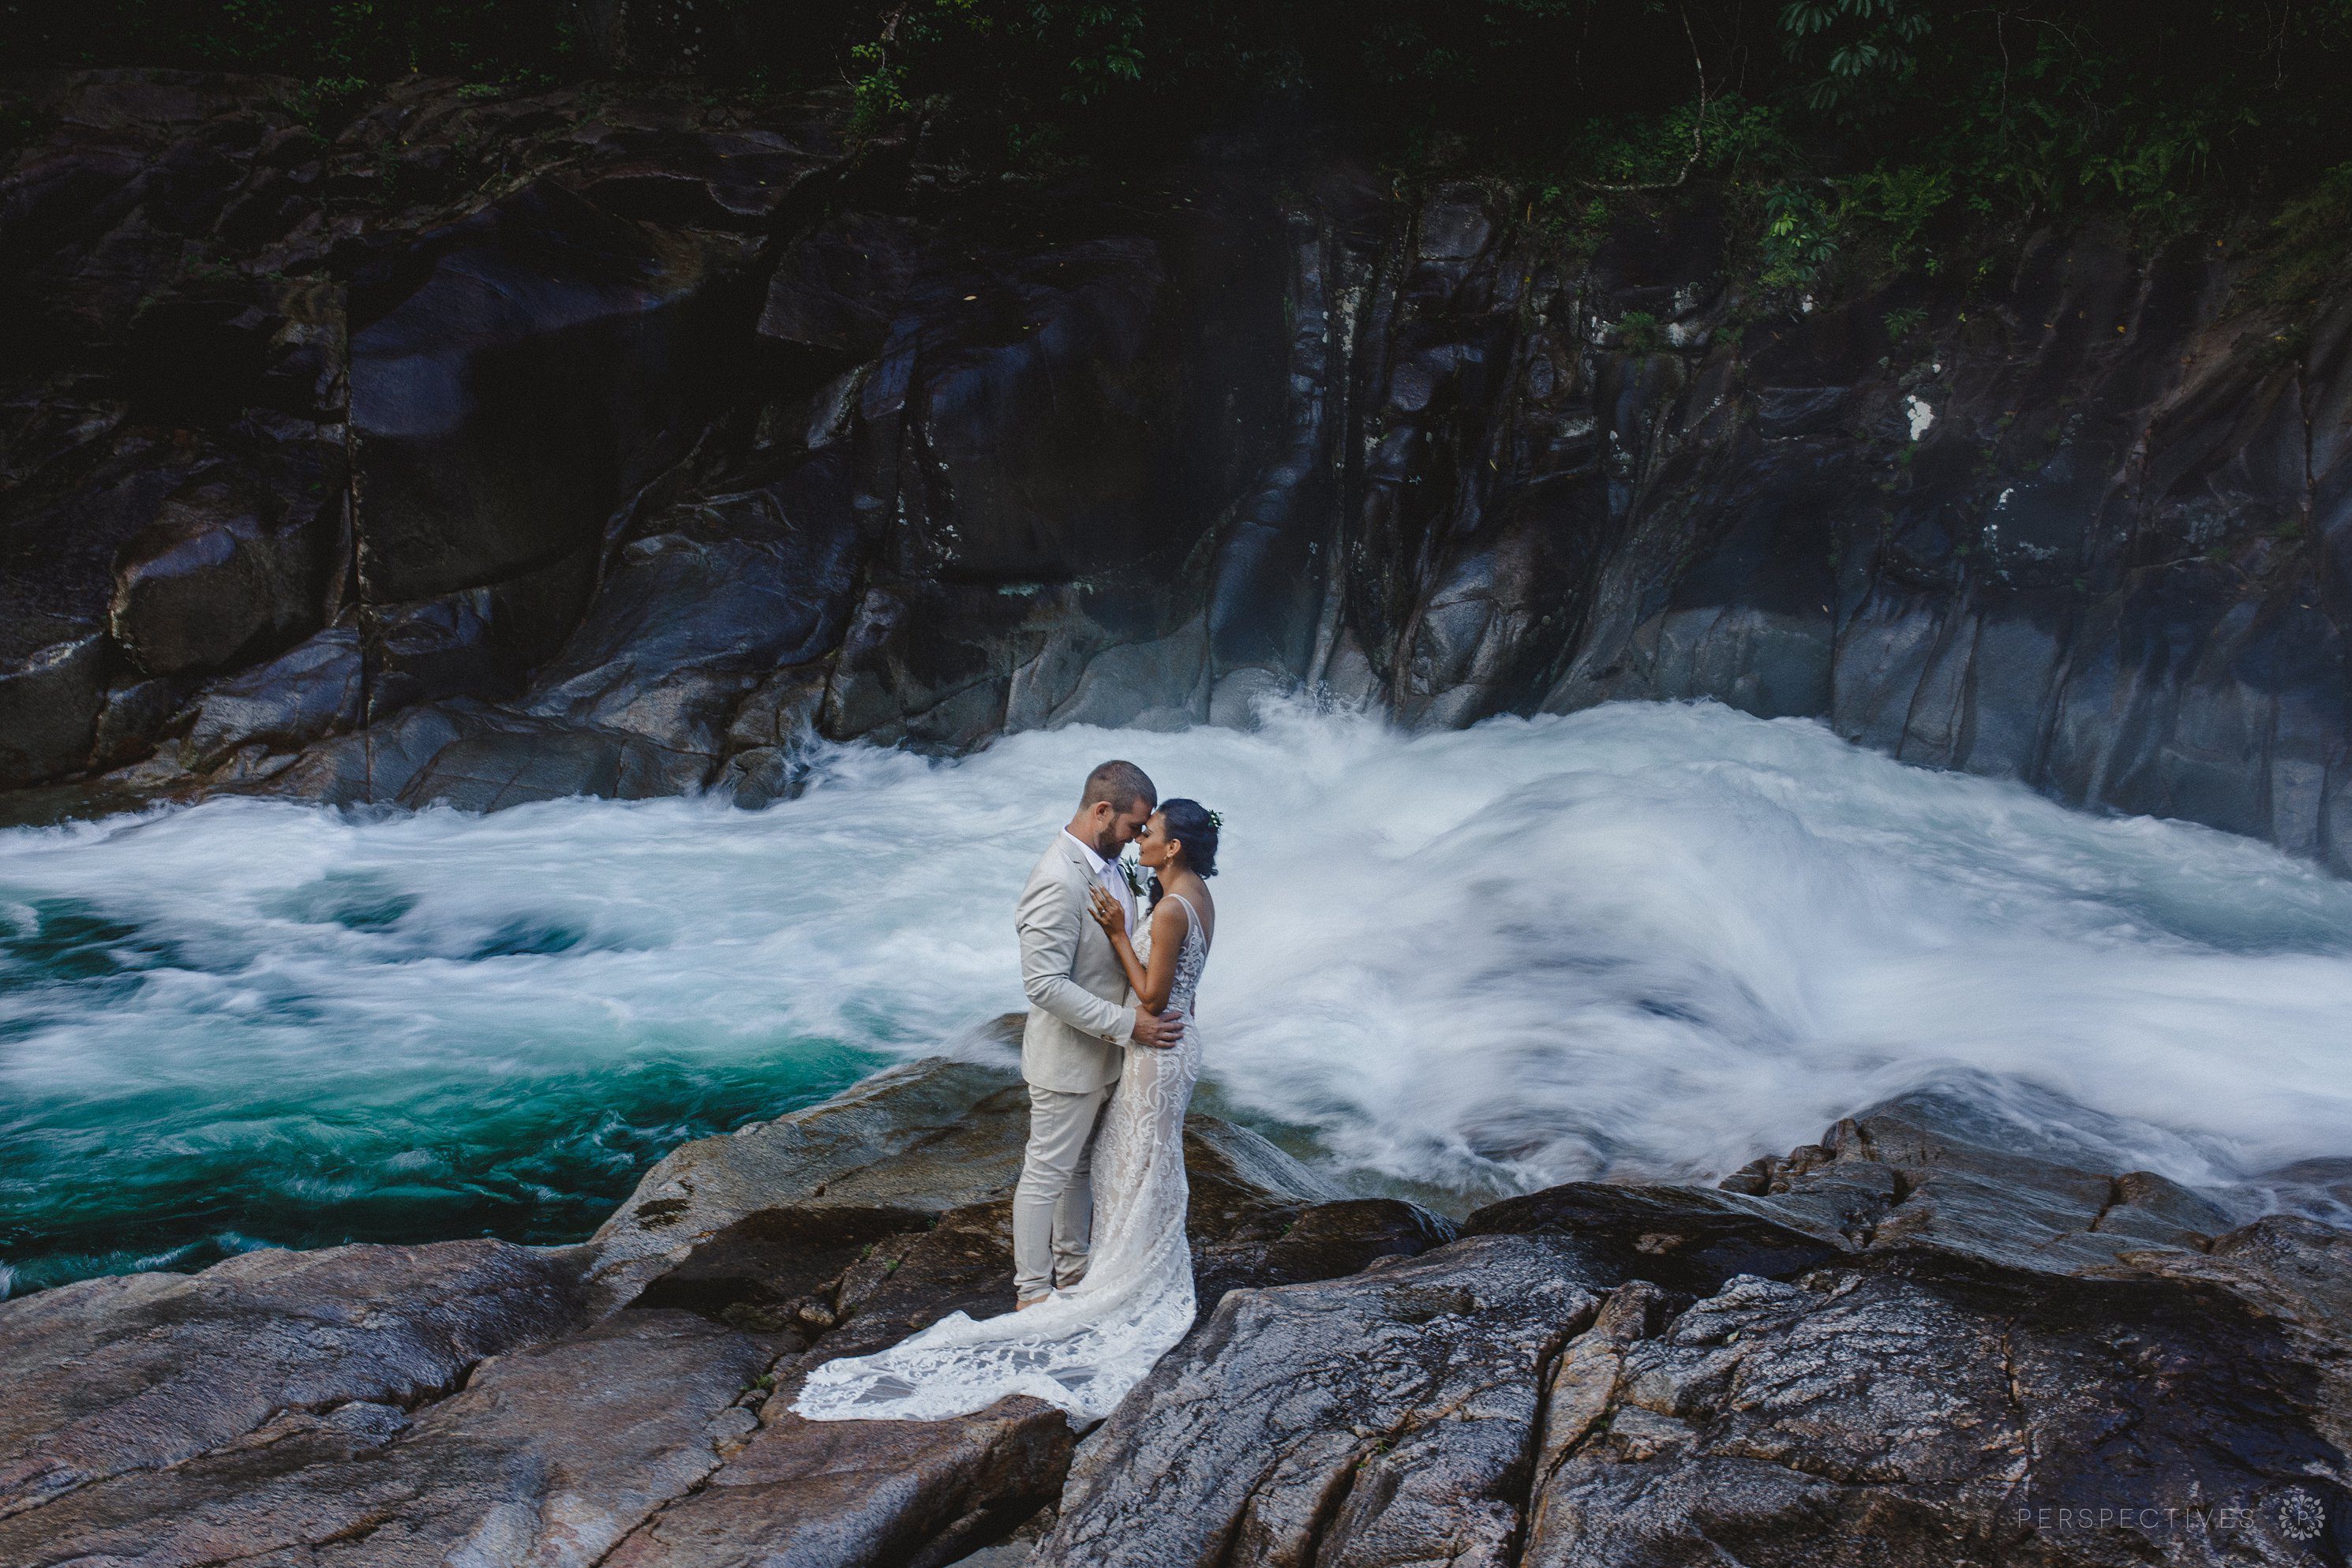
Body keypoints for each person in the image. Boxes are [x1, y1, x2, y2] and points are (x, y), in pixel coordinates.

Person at [793, 773, 1221, 1424]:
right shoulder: (1058, 876)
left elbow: (1147, 963)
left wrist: (1130, 1007)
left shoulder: (1121, 874)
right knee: (1049, 1168)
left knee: (1090, 1167)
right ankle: (1033, 1295)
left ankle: (1079, 1280)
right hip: (1084, 1051)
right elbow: (1043, 984)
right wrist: (1126, 1022)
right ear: (1103, 811)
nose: (1138, 839)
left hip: (1129, 1050)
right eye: (1135, 826)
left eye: (1148, 831)